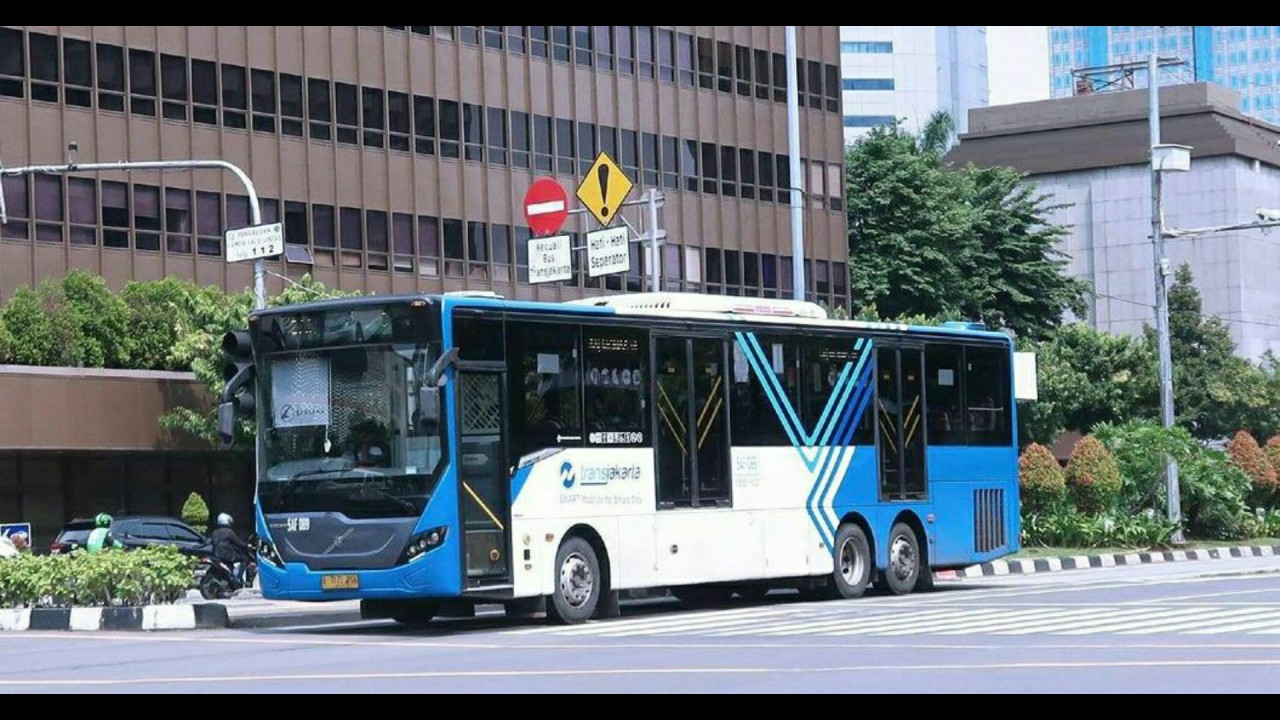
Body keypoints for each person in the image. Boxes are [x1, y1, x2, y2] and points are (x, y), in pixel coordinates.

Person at [211, 513, 253, 586]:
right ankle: (238, 577)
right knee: (245, 559)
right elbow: (238, 542)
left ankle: (232, 579)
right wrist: (247, 545)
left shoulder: (214, 532)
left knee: (230, 564)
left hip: (217, 555)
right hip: (227, 555)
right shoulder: (229, 532)